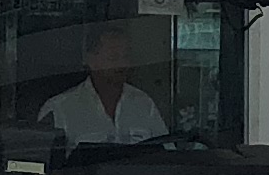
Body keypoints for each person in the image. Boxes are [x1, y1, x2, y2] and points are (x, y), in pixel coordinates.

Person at [41, 25, 171, 148]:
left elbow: (168, 155)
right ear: (92, 61)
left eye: (126, 56)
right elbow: (45, 164)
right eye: (113, 58)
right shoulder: (59, 109)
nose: (122, 64)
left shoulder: (144, 103)